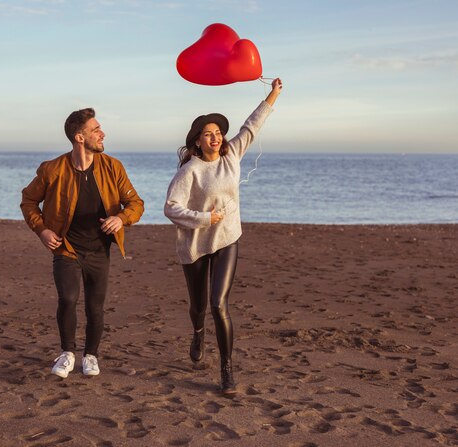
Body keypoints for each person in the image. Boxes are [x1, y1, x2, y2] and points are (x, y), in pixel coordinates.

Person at [164, 79, 283, 394]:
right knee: (198, 306)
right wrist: (204, 218)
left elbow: (253, 125)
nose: (215, 138)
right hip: (195, 245)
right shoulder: (189, 171)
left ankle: (226, 371)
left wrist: (273, 93)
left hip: (228, 238)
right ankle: (198, 332)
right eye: (208, 134)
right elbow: (170, 208)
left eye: (218, 133)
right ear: (198, 141)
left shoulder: (232, 156)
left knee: (219, 303)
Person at [21, 107, 144, 379]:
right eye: (96, 130)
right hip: (66, 248)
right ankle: (67, 353)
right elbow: (28, 200)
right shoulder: (52, 170)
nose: (103, 133)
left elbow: (135, 203)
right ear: (79, 137)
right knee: (67, 299)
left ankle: (91, 355)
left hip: (99, 250)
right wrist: (41, 230)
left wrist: (121, 218)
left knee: (95, 306)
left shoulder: (113, 167)